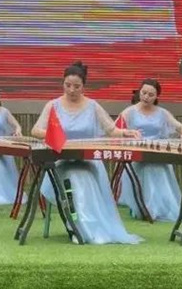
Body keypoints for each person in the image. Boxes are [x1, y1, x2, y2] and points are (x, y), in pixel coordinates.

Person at [31, 61, 142, 244]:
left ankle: (90, 227)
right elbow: (36, 131)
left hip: (88, 161)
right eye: (68, 85)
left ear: (83, 86)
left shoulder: (92, 106)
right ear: (63, 83)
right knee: (76, 178)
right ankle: (75, 228)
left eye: (77, 86)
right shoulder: (53, 105)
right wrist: (56, 134)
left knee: (84, 177)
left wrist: (125, 132)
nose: (72, 90)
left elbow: (111, 130)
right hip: (62, 161)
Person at [117, 79, 182, 221]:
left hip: (157, 152)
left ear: (156, 97)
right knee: (147, 169)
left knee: (159, 169)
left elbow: (178, 126)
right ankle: (144, 208)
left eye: (151, 95)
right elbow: (115, 129)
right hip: (138, 153)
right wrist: (127, 134)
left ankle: (160, 208)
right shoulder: (129, 112)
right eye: (144, 93)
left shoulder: (162, 113)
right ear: (139, 92)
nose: (146, 97)